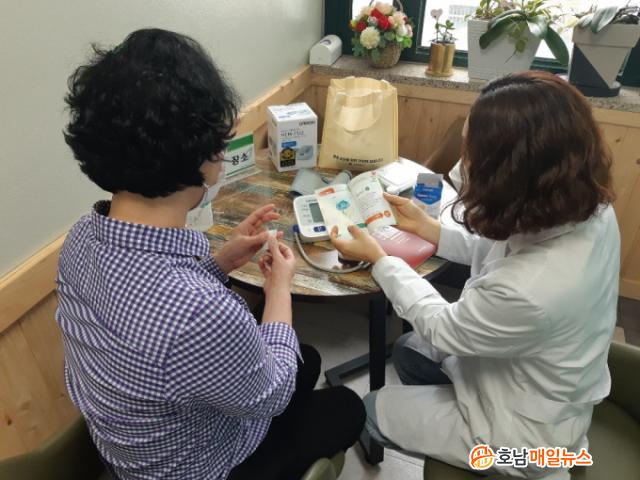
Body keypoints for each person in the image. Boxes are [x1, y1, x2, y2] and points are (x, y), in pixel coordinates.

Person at [58, 28, 364, 480]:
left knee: (307, 358)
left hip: (131, 447)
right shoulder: (200, 311)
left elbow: (152, 311)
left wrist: (219, 263)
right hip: (198, 468)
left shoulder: (81, 240)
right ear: (201, 153)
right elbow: (272, 395)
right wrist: (280, 289)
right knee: (345, 405)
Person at [330, 71, 619, 480]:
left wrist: (380, 260)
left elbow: (441, 326)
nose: (461, 165)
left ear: (511, 171)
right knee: (410, 351)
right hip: (536, 379)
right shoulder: (587, 209)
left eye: (471, 153)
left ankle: (507, 466)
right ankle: (451, 410)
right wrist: (431, 230)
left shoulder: (532, 290)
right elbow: (504, 242)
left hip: (525, 437)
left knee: (370, 409)